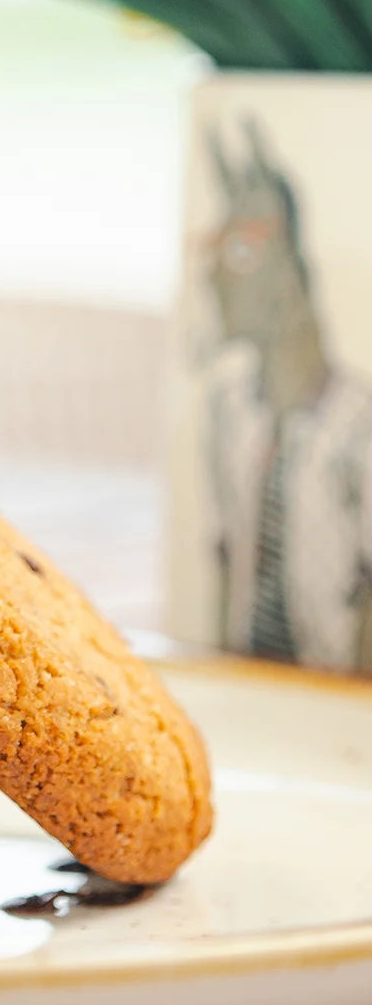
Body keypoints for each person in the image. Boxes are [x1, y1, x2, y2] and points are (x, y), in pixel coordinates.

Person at [204, 118, 372, 672]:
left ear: (286, 269)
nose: (219, 276)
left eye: (244, 254)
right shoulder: (230, 409)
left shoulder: (356, 423)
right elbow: (226, 550)